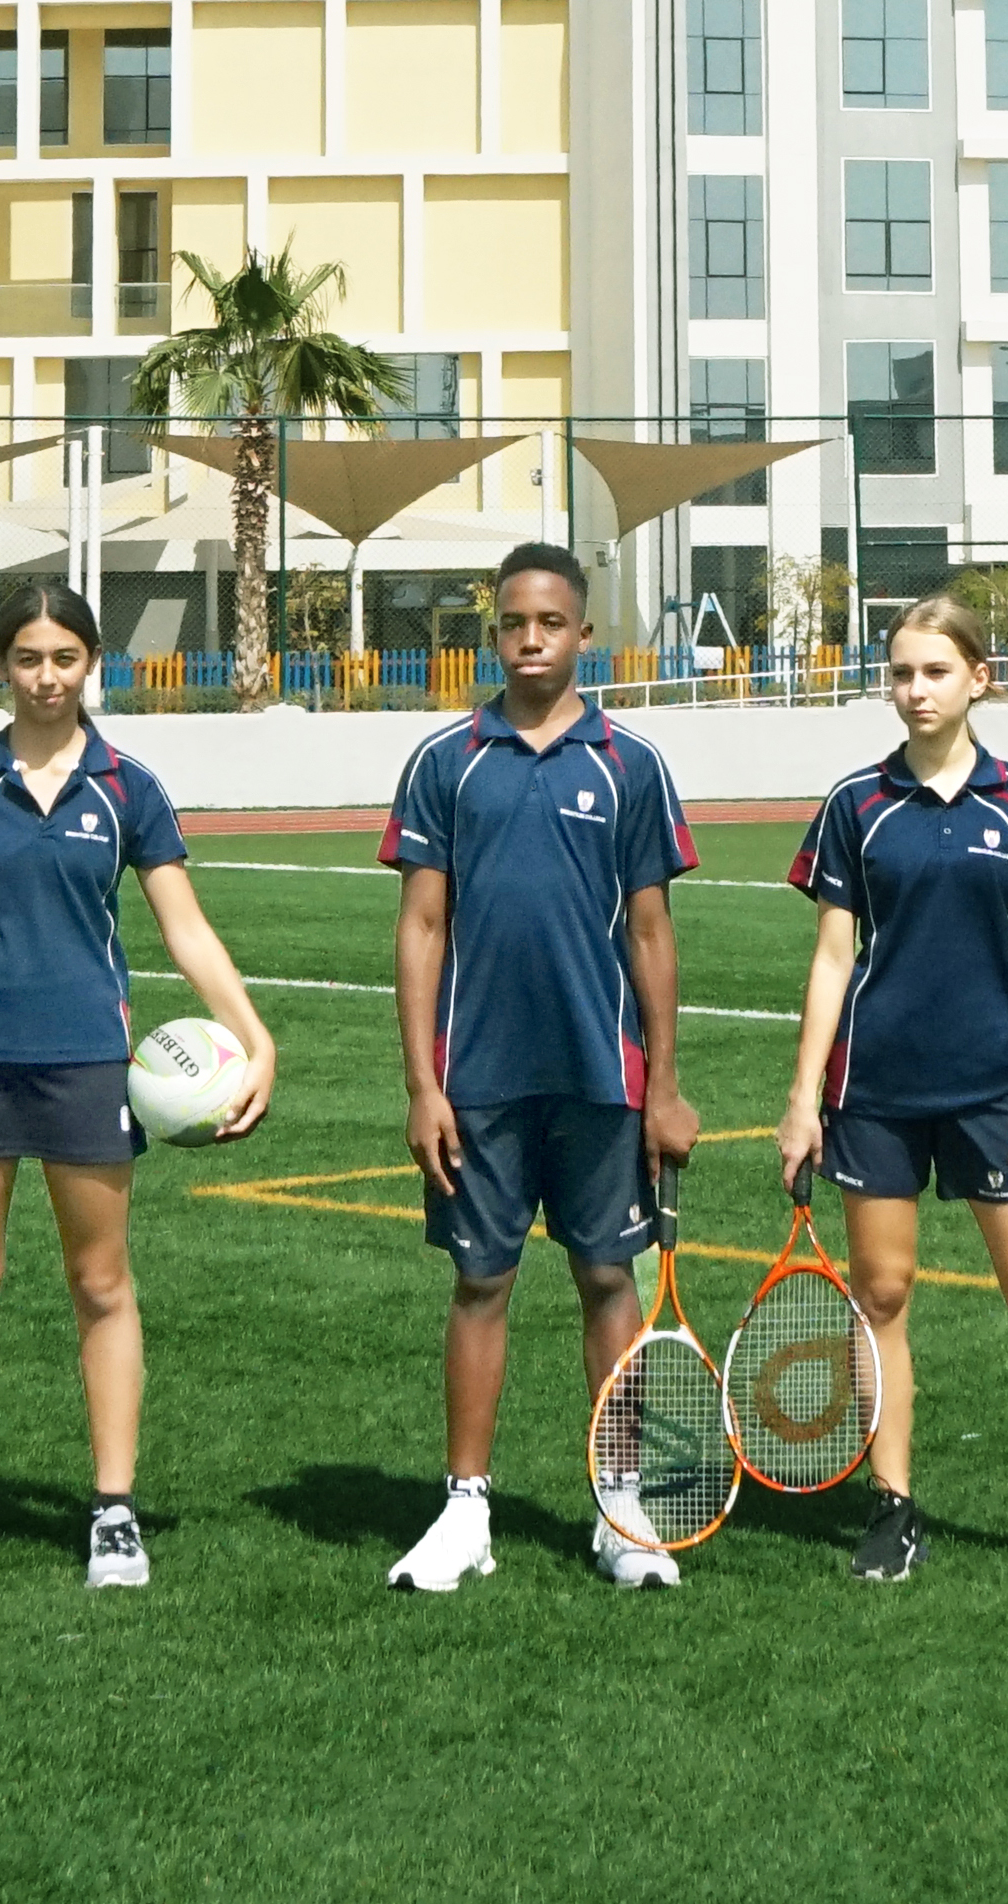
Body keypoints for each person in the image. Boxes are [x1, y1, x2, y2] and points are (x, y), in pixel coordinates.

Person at [0, 585, 289, 1595]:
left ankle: (111, 1513)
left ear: (91, 662)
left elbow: (183, 928)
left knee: (101, 1284)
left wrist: (253, 1033)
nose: (47, 675)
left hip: (91, 1067)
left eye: (64, 656)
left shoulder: (126, 787)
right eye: (28, 657)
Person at [777, 596, 1008, 1591]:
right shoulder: (855, 804)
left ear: (979, 677)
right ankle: (893, 1507)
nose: (915, 690)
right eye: (901, 672)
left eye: (935, 671)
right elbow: (830, 960)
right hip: (877, 1095)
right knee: (884, 1295)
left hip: (996, 1090)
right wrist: (804, 1096)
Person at [379, 545, 702, 1593]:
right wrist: (424, 1084)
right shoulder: (446, 759)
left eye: (551, 622)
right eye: (514, 621)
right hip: (476, 1079)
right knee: (481, 1281)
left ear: (582, 633)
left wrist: (665, 1082)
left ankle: (620, 1505)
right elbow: (422, 925)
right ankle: (465, 1509)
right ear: (496, 633)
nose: (531, 638)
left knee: (608, 1278)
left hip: (601, 1076)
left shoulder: (630, 763)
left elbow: (651, 933)